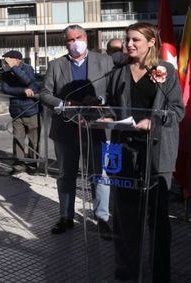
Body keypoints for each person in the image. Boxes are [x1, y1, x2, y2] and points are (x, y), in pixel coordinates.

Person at [102, 22, 184, 282]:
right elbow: (111, 107)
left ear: (151, 42)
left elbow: (177, 110)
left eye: (136, 39)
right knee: (125, 216)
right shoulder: (118, 72)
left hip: (156, 152)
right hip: (123, 150)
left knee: (156, 218)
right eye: (127, 39)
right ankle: (128, 269)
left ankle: (160, 273)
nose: (129, 44)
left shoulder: (165, 71)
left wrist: (154, 122)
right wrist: (103, 116)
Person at [40, 24, 113, 236]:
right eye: (70, 40)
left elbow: (114, 90)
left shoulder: (105, 61)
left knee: (99, 174)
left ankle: (102, 218)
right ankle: (65, 216)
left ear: (86, 38)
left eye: (78, 38)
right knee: (66, 175)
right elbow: (44, 93)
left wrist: (99, 100)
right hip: (65, 128)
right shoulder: (56, 65)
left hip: (96, 128)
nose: (74, 43)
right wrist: (65, 103)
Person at [0, 50, 39, 175]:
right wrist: (22, 91)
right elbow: (5, 88)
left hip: (31, 110)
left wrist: (14, 68)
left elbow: (27, 80)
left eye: (7, 59)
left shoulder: (27, 68)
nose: (5, 62)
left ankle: (33, 164)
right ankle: (19, 165)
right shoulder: (6, 72)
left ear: (16, 59)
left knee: (34, 140)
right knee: (18, 139)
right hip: (16, 111)